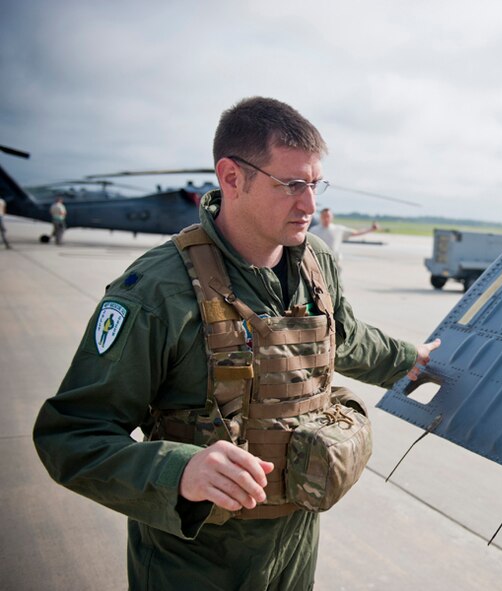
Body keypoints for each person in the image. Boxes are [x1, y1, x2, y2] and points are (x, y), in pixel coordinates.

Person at [33, 96, 440, 590]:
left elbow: (346, 338)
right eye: (291, 184)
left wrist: (411, 359)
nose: (309, 204)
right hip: (194, 562)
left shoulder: (314, 262)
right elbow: (71, 436)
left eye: (314, 184)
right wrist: (178, 472)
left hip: (295, 544)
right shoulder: (159, 293)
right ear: (231, 177)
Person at [311, 207, 379, 265]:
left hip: (334, 263)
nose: (326, 219)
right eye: (324, 216)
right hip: (318, 263)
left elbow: (356, 232)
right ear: (320, 217)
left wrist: (371, 229)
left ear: (332, 217)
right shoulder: (313, 230)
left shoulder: (338, 229)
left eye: (328, 216)